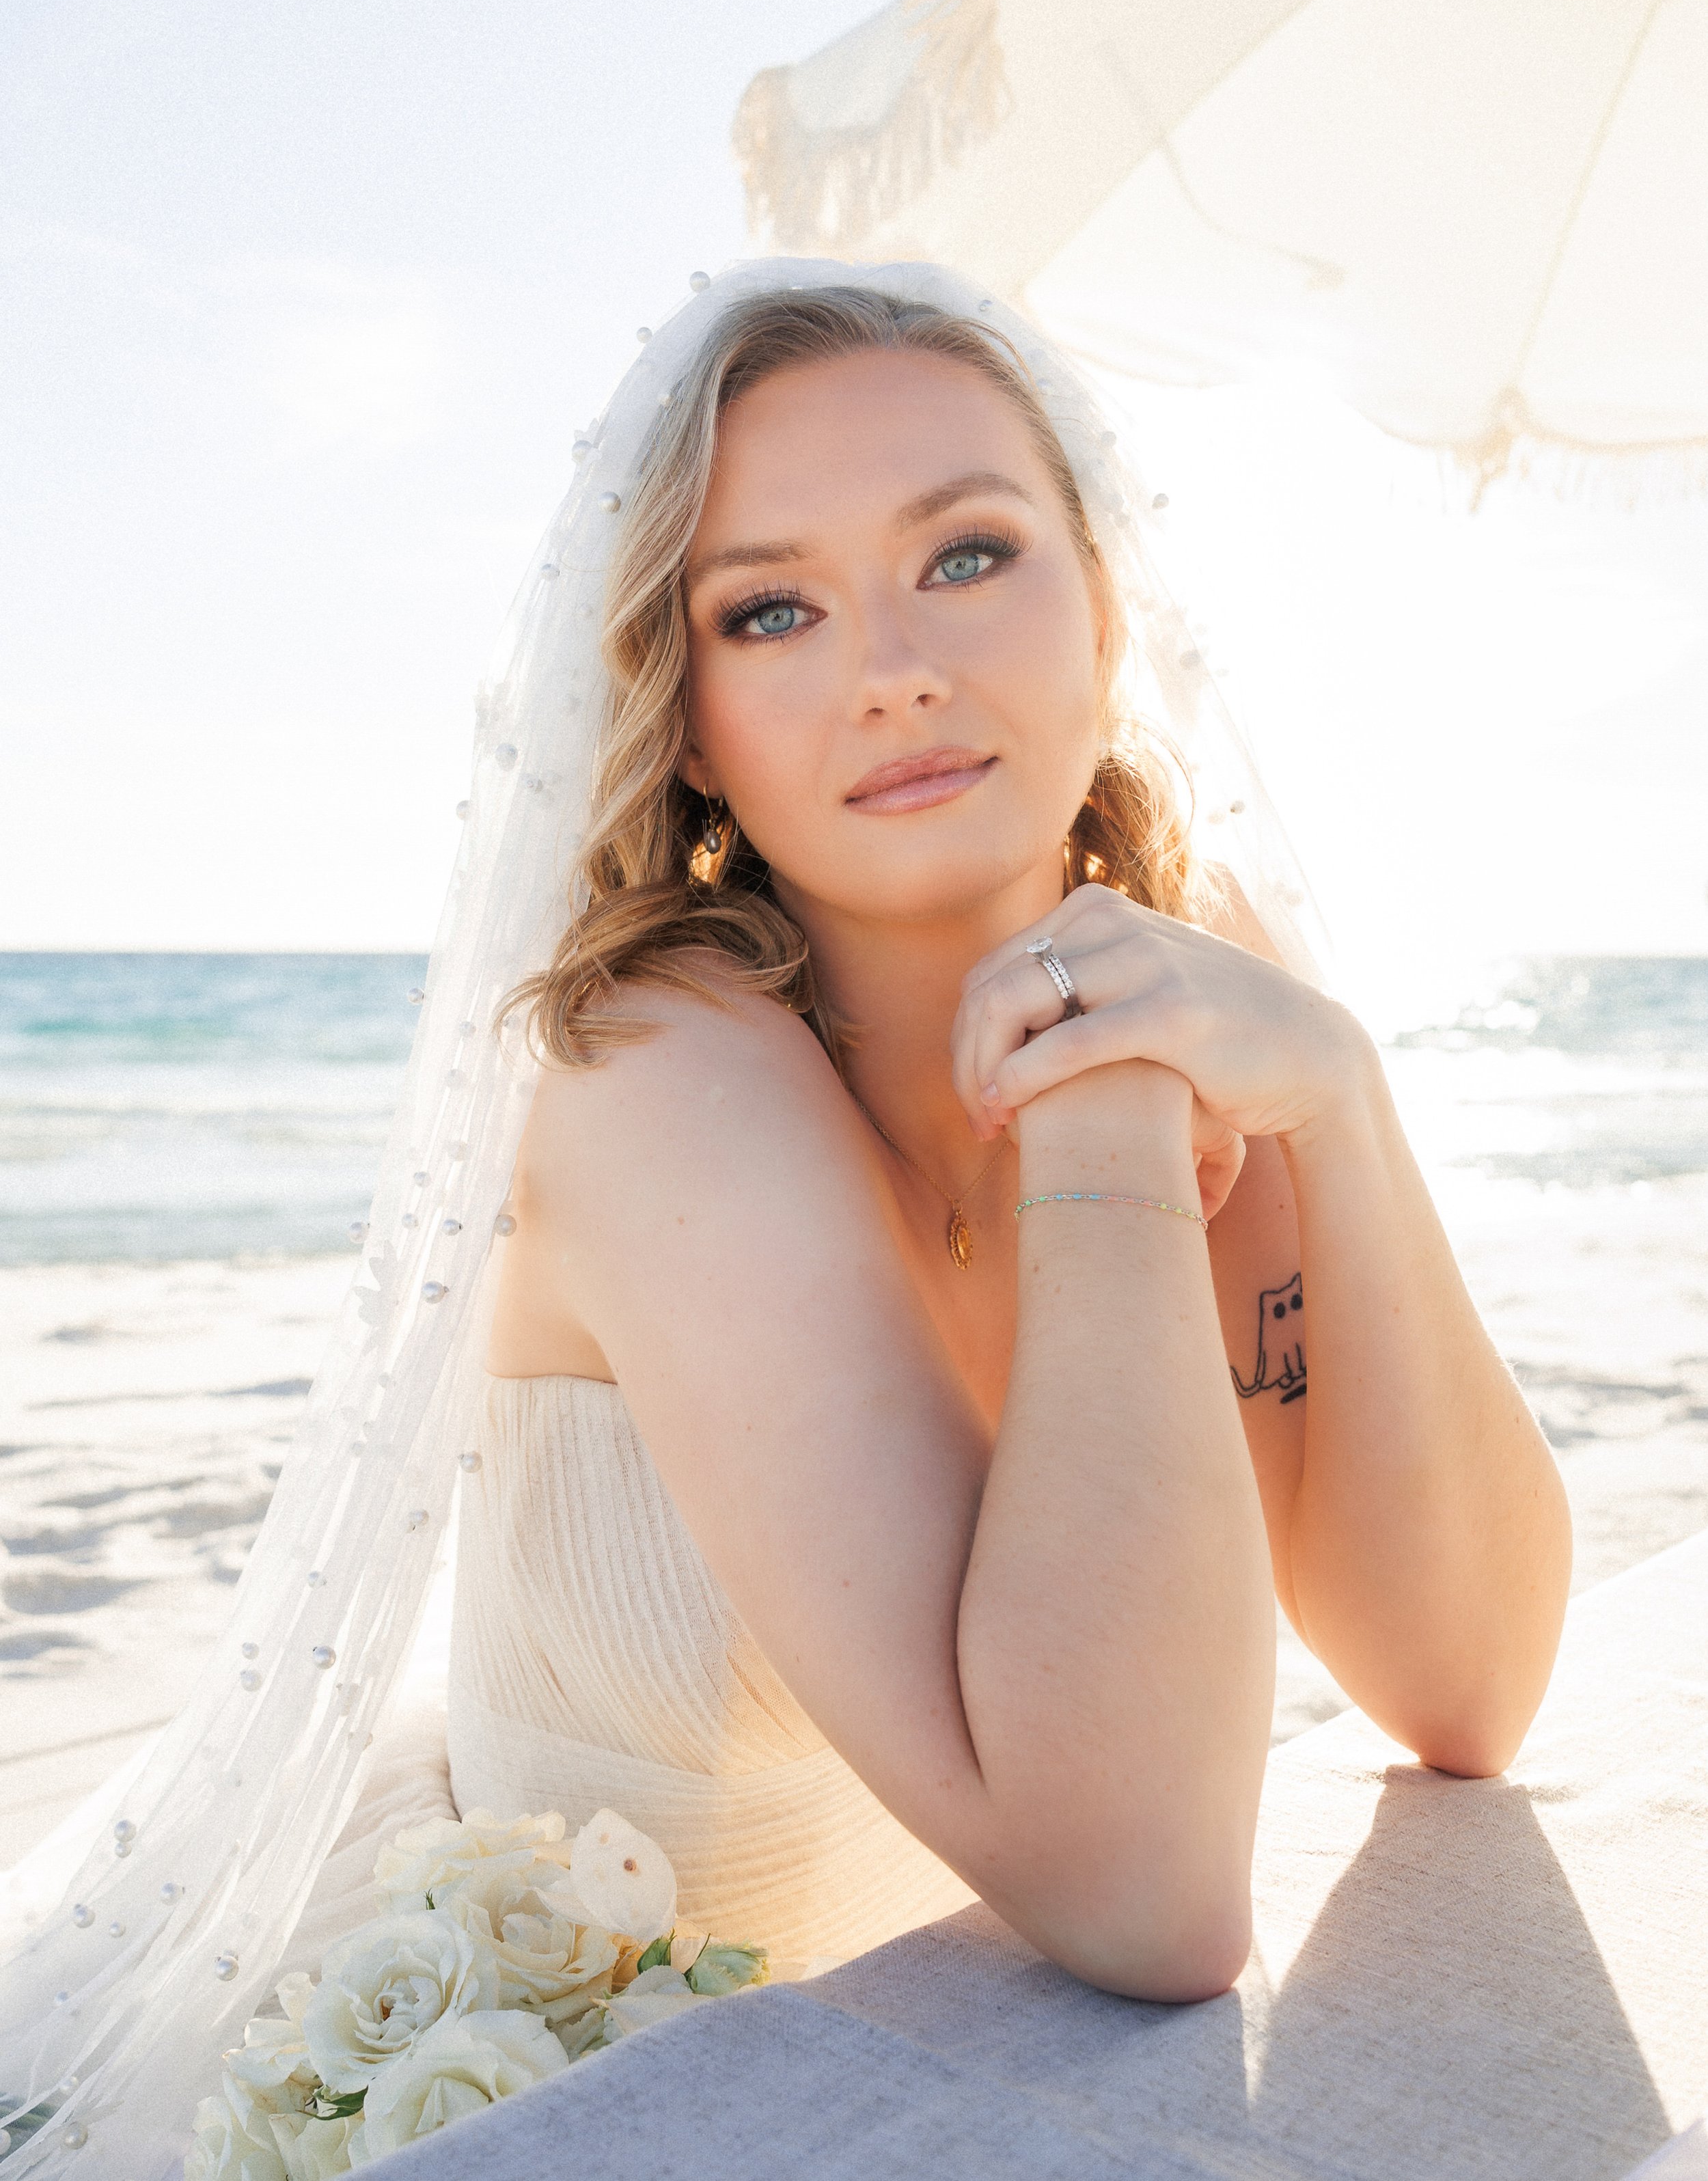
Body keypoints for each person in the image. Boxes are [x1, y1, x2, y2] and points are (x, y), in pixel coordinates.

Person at [0, 262, 1572, 2175]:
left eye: (967, 556)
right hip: (610, 2079)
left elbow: (1466, 1677)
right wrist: (1102, 1132)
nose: (891, 668)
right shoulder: (661, 1073)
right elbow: (1145, 1899)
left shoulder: (1189, 967)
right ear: (687, 725)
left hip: (954, 2038)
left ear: (1107, 601)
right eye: (770, 610)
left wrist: (1335, 1090)